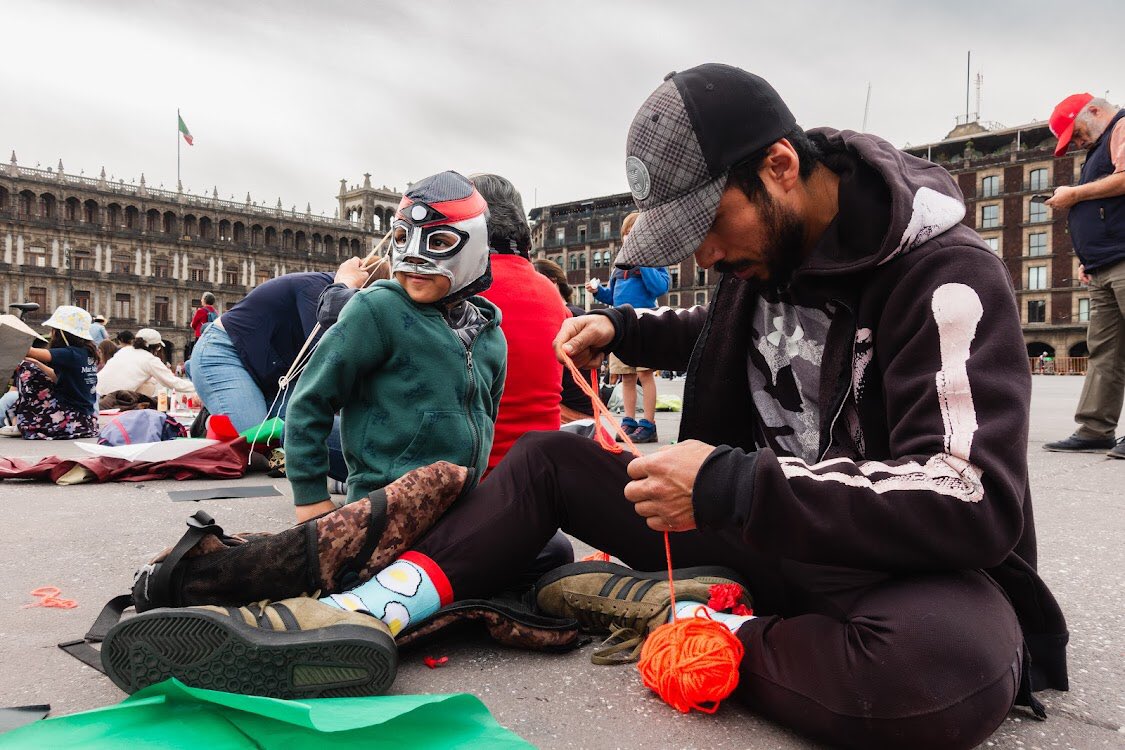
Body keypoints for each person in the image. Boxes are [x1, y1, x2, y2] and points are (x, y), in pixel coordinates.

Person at [102, 65, 1069, 750]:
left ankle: (699, 628)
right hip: (751, 528)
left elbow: (971, 497)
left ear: (778, 167)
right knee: (548, 460)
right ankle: (362, 613)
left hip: (878, 560)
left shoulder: (948, 280)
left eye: (707, 227)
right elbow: (735, 328)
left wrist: (731, 482)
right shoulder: (769, 249)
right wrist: (622, 330)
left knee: (948, 676)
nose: (700, 255)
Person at [284, 171, 506, 523]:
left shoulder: (491, 334)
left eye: (440, 241)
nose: (415, 257)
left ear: (475, 245)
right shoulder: (376, 310)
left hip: (457, 507)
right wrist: (310, 498)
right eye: (403, 238)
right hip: (381, 507)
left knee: (550, 549)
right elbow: (310, 399)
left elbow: (486, 417)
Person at [1043, 94, 1125, 459]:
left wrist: (1074, 194)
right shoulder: (1098, 151)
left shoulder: (1122, 126)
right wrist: (1087, 258)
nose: (1077, 144)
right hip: (1103, 265)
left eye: (1075, 135)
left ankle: (1096, 428)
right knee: (1104, 351)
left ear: (1093, 111)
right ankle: (1095, 428)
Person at [585, 213, 669, 442]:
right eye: (627, 233)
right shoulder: (618, 265)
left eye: (635, 233)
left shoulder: (654, 258)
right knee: (626, 376)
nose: (629, 236)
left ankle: (648, 424)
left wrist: (643, 263)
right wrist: (598, 291)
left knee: (645, 373)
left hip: (644, 322)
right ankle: (629, 422)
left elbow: (659, 288)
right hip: (622, 323)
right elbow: (613, 296)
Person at [4, 305, 98, 439]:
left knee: (26, 368)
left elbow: (30, 351)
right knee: (33, 365)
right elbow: (57, 377)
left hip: (67, 421)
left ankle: (27, 422)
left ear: (61, 333)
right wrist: (37, 363)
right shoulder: (86, 352)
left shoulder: (69, 354)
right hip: (85, 421)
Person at [534, 257, 596, 422]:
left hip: (571, 411)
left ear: (552, 282)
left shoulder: (560, 316)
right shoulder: (580, 313)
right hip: (589, 408)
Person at [96, 327, 195, 399]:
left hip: (97, 394)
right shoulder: (150, 359)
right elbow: (173, 383)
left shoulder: (124, 350)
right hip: (114, 398)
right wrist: (198, 387)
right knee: (150, 386)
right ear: (155, 347)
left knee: (150, 381)